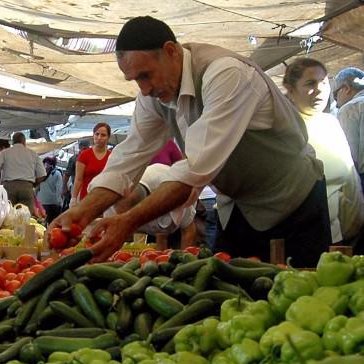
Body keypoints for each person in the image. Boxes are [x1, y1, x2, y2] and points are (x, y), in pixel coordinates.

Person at [52, 16, 330, 266]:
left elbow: (193, 172)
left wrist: (128, 221)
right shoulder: (154, 95)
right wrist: (82, 212)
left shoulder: (225, 74)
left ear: (171, 51)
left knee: (299, 298)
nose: (144, 89)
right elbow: (127, 159)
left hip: (293, 203)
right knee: (231, 300)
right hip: (237, 209)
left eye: (146, 75)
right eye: (135, 79)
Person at [284, 58, 364, 245]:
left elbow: (350, 178)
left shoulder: (330, 124)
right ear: (291, 90)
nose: (320, 89)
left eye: (324, 82)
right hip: (300, 239)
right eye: (310, 83)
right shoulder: (284, 128)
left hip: (339, 237)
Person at [105, 163, 197, 248]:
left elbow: (188, 231)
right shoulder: (111, 204)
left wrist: (184, 259)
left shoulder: (175, 192)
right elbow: (110, 237)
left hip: (174, 221)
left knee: (169, 245)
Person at [0, 132, 46, 212]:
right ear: (24, 142)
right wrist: (34, 184)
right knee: (25, 216)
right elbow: (42, 175)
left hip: (9, 187)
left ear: (13, 142)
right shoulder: (33, 154)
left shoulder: (5, 153)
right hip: (26, 187)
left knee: (8, 215)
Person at [333, 67, 364, 187]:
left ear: (346, 88)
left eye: (335, 95)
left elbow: (350, 159)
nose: (336, 104)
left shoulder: (350, 108)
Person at [71, 123, 112, 205]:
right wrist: (73, 198)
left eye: (103, 135)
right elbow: (78, 179)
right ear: (93, 135)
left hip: (105, 200)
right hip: (85, 199)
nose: (99, 138)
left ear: (108, 137)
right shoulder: (84, 155)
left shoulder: (112, 156)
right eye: (97, 134)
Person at [62, 139, 90, 210]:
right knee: (77, 208)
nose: (84, 150)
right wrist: (64, 187)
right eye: (83, 148)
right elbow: (67, 174)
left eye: (86, 148)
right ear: (80, 148)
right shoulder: (74, 158)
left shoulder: (91, 157)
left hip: (90, 187)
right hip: (77, 188)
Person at [37, 156, 64, 224]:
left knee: (43, 222)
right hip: (53, 203)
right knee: (53, 223)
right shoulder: (57, 173)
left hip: (42, 202)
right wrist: (59, 202)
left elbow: (37, 188)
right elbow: (59, 189)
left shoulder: (41, 174)